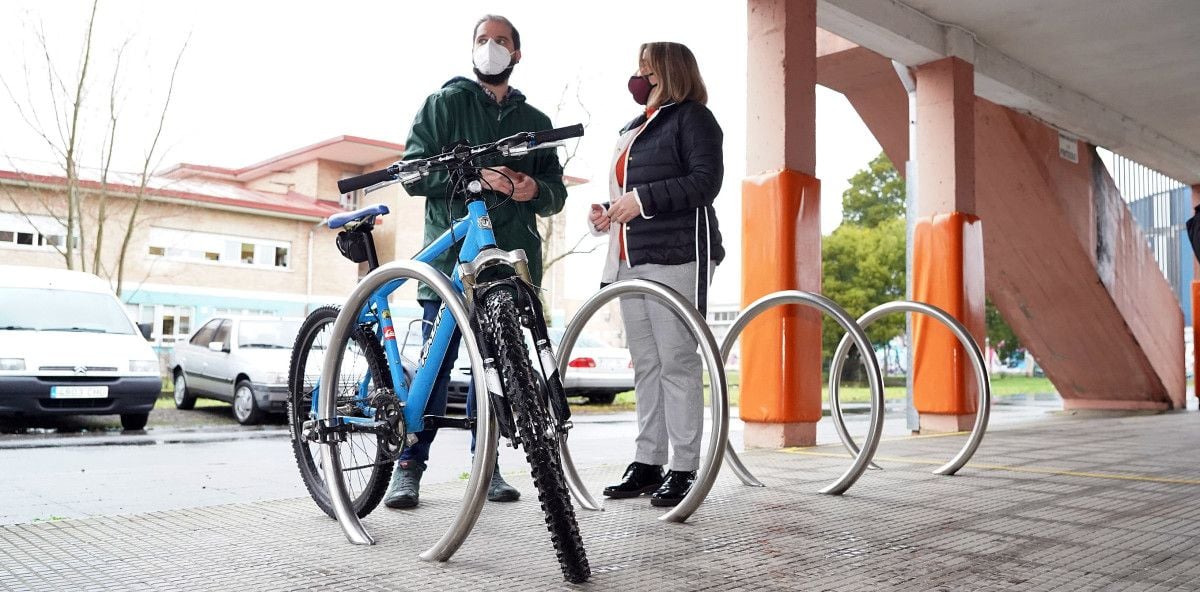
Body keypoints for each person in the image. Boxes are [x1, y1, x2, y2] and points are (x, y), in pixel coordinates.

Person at [383, 14, 569, 510]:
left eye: (501, 41)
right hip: (448, 263)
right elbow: (413, 174)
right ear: (472, 50)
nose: (491, 48)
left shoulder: (537, 123)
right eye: (483, 40)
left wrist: (534, 188)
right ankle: (408, 467)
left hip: (511, 264)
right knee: (435, 369)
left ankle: (488, 467)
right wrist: (477, 176)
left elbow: (556, 194)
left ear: (517, 53)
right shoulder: (444, 104)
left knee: (501, 368)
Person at [589, 42, 724, 507]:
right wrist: (609, 212)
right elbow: (631, 195)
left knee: (677, 362)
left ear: (669, 72)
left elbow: (706, 181)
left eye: (646, 69)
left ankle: (683, 468)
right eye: (638, 68)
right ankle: (649, 462)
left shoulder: (693, 118)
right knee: (646, 365)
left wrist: (641, 200)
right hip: (631, 258)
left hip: (678, 255)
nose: (638, 76)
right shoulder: (635, 127)